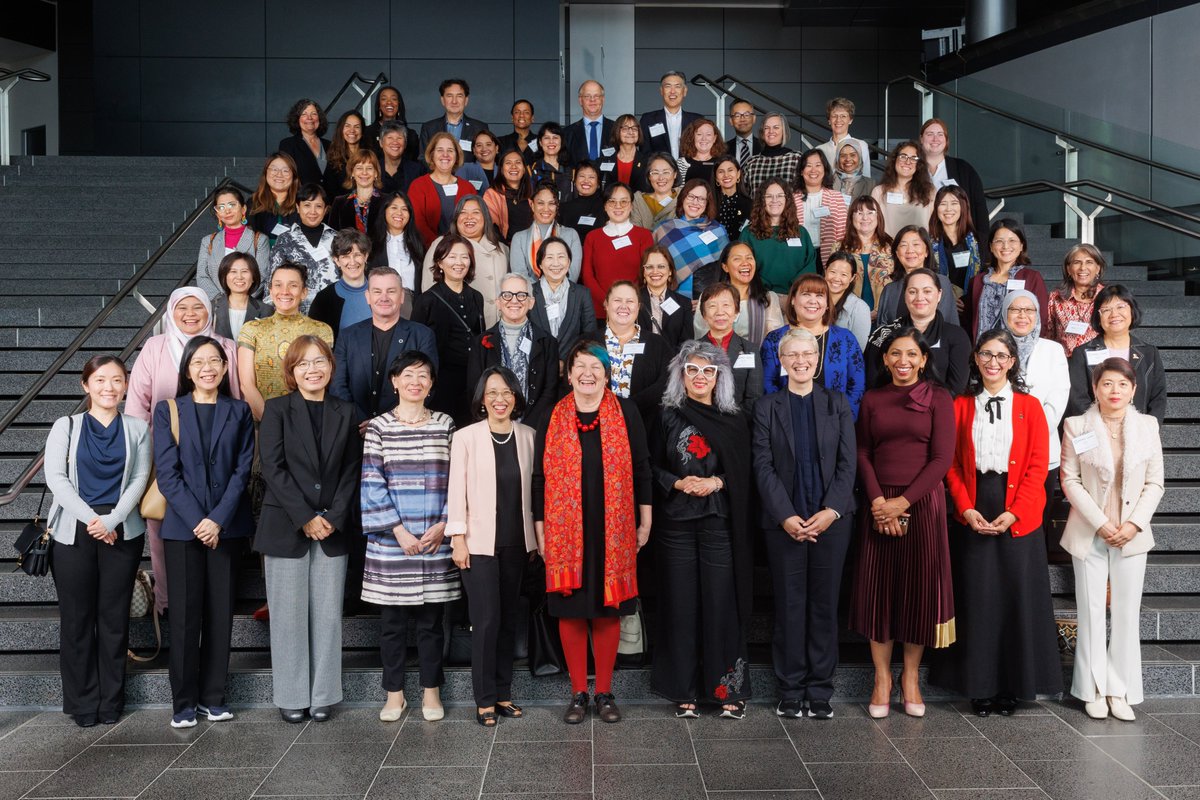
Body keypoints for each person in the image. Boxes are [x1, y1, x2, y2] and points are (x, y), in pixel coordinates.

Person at [935, 330, 1061, 715]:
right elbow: (951, 465)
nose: (993, 362)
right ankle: (979, 687)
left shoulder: (1030, 406)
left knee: (1014, 599)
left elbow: (1038, 467)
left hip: (1017, 512)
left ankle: (1012, 686)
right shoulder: (959, 405)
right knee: (978, 599)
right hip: (973, 506)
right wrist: (965, 508)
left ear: (1012, 362)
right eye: (986, 354)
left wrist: (1015, 512)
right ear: (975, 358)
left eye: (1001, 355)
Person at [533, 340, 653, 724]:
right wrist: (539, 530)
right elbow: (539, 477)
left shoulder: (626, 411)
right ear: (568, 374)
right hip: (565, 531)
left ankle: (603, 691)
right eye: (579, 366)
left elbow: (643, 467)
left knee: (606, 611)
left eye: (595, 366)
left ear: (607, 373)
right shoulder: (554, 415)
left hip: (612, 529)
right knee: (570, 612)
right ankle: (577, 693)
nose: (587, 373)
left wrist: (645, 519)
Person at [848, 327, 956, 719]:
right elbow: (862, 450)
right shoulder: (873, 399)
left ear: (924, 359)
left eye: (911, 354)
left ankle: (910, 677)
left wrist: (902, 504)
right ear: (885, 359)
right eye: (895, 354)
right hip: (878, 500)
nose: (903, 361)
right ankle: (882, 679)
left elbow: (942, 459)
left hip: (922, 503)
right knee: (879, 592)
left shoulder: (939, 399)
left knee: (916, 594)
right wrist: (879, 502)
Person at [255, 336, 361, 724]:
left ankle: (323, 694)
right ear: (292, 372)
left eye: (320, 362)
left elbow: (352, 470)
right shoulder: (277, 409)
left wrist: (331, 515)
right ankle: (291, 694)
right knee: (287, 616)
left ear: (331, 367)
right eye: (303, 364)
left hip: (333, 528)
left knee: (328, 615)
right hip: (286, 526)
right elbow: (272, 467)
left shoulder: (346, 411)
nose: (312, 369)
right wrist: (306, 516)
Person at [752, 329, 856, 718]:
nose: (800, 360)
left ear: (818, 358)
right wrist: (786, 516)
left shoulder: (837, 403)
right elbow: (762, 466)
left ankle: (820, 691)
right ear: (782, 360)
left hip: (831, 520)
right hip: (785, 521)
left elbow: (849, 463)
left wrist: (832, 510)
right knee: (790, 606)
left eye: (807, 353)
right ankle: (790, 689)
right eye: (792, 354)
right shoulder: (767, 407)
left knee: (824, 606)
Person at [152, 336, 255, 728]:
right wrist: (200, 520)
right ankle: (183, 703)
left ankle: (214, 697)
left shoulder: (240, 410)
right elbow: (167, 473)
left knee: (219, 616)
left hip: (225, 528)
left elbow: (242, 470)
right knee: (184, 617)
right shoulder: (169, 411)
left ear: (226, 368)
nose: (208, 368)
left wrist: (217, 520)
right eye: (198, 362)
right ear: (187, 369)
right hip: (182, 529)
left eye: (215, 361)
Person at [45, 356, 152, 728]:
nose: (109, 387)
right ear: (85, 385)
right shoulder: (67, 426)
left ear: (126, 386)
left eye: (117, 380)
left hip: (122, 530)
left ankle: (111, 701)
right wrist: (94, 520)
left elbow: (140, 478)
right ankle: (82, 703)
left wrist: (113, 519)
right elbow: (56, 479)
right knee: (77, 620)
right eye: (101, 380)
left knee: (114, 619)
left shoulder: (138, 427)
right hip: (74, 530)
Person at [652, 342, 755, 718]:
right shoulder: (666, 415)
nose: (700, 377)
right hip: (676, 523)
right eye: (692, 370)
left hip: (719, 522)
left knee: (720, 604)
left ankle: (727, 689)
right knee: (680, 604)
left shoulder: (734, 418)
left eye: (708, 371)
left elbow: (745, 473)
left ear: (720, 376)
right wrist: (677, 484)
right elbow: (649, 465)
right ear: (681, 375)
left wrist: (717, 483)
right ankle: (685, 690)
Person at [1060, 357, 1165, 721]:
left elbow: (1156, 482)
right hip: (1091, 531)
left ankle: (1118, 690)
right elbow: (1069, 480)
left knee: (1125, 613)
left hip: (1132, 534)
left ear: (1134, 390)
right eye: (1107, 384)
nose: (1114, 390)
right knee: (1090, 612)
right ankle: (1091, 689)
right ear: (1095, 388)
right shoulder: (1076, 426)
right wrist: (1102, 523)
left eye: (1122, 384)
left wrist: (1134, 524)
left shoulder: (1148, 426)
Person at [128, 288, 241, 616]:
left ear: (210, 311)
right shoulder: (155, 346)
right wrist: (142, 456)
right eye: (182, 307)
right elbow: (138, 404)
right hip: (166, 454)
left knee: (218, 524)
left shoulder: (226, 348)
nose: (190, 314)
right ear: (170, 312)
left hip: (217, 457)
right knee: (163, 527)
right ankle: (167, 602)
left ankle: (213, 605)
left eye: (198, 307)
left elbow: (236, 400)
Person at [359, 350, 459, 723]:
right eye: (408, 375)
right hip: (391, 543)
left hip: (435, 540)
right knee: (392, 626)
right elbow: (371, 482)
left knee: (433, 624)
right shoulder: (379, 427)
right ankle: (394, 694)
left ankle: (431, 692)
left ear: (431, 384)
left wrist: (445, 524)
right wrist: (397, 530)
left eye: (423, 376)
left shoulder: (445, 424)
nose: (415, 381)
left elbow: (457, 480)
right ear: (394, 381)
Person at [447, 367, 537, 727]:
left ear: (516, 397)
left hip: (518, 542)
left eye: (507, 393)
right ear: (482, 399)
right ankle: (483, 699)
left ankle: (503, 693)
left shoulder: (529, 435)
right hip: (478, 543)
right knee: (485, 621)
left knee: (509, 620)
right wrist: (457, 538)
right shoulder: (466, 437)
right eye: (492, 393)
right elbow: (456, 490)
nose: (500, 399)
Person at [331, 266, 439, 425]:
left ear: (402, 296)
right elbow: (337, 386)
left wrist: (387, 423)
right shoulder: (348, 336)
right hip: (355, 429)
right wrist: (357, 420)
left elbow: (429, 384)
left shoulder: (422, 335)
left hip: (404, 428)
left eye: (391, 291)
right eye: (377, 291)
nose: (384, 297)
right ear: (367, 296)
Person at [998, 291, 1070, 516]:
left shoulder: (1053, 350)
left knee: (1037, 517)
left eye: (1029, 310)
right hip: (999, 447)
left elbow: (1058, 396)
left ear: (1037, 315)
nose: (1022, 315)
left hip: (1041, 447)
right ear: (1004, 313)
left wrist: (1030, 434)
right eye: (1015, 309)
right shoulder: (992, 346)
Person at [237, 263, 334, 422]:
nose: (285, 291)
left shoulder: (321, 330)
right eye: (278, 285)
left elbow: (324, 381)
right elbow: (247, 385)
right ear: (270, 290)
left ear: (304, 292)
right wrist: (272, 424)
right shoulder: (251, 330)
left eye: (293, 285)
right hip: (263, 424)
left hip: (311, 422)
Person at [761, 275, 866, 418]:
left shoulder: (845, 339)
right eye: (806, 294)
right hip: (786, 425)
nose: (813, 301)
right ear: (792, 299)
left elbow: (857, 387)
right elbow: (768, 384)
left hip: (836, 424)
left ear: (827, 303)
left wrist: (843, 422)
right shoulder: (774, 339)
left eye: (819, 295)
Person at [467, 273, 561, 427]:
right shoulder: (481, 343)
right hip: (491, 425)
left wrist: (528, 426)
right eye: (507, 295)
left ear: (531, 302)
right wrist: (496, 422)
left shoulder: (547, 342)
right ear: (498, 302)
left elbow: (550, 390)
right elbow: (475, 389)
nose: (514, 300)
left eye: (521, 295)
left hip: (534, 427)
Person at [411, 236, 487, 425]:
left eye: (465, 257)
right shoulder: (426, 300)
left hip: (472, 381)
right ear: (440, 262)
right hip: (440, 383)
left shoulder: (476, 297)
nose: (459, 263)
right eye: (452, 257)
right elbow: (415, 349)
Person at [1066, 284, 1167, 422]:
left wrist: (1147, 430)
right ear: (1098, 316)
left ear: (1132, 310)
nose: (1114, 314)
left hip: (1139, 434)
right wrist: (1100, 430)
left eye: (1120, 307)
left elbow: (1158, 399)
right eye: (1106, 309)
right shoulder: (1082, 353)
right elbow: (1077, 399)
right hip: (1095, 433)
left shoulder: (1150, 353)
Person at [866, 268, 972, 395]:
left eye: (927, 291)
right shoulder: (883, 335)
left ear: (939, 295)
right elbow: (873, 383)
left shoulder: (956, 336)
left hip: (939, 409)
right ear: (904, 295)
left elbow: (957, 388)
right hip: (891, 408)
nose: (919, 297)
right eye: (912, 291)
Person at [421, 195, 509, 327]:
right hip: (455, 326)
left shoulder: (502, 250)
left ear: (485, 217)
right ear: (456, 218)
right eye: (463, 213)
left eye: (475, 212)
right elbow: (429, 289)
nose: (469, 217)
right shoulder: (441, 244)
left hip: (496, 326)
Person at [602, 281, 673, 425]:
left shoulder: (657, 344)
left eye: (630, 301)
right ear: (606, 305)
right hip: (599, 424)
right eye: (617, 300)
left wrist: (629, 407)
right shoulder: (588, 342)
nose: (624, 306)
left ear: (638, 307)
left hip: (646, 425)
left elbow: (666, 382)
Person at [581, 182, 655, 319]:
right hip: (601, 309)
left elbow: (647, 273)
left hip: (633, 309)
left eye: (624, 201)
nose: (618, 206)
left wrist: (628, 302)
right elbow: (587, 276)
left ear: (631, 205)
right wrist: (607, 301)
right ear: (605, 206)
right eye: (612, 201)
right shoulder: (592, 237)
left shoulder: (644, 236)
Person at [969, 218, 1049, 340]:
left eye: (1012, 240)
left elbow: (1041, 319)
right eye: (999, 241)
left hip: (1018, 353)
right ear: (991, 246)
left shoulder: (1032, 278)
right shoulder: (978, 281)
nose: (1006, 246)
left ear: (1022, 246)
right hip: (983, 353)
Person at [652, 178, 729, 299]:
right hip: (674, 298)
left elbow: (726, 269)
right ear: (683, 198)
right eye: (691, 196)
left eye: (701, 199)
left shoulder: (717, 230)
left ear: (707, 203)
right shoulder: (665, 229)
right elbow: (654, 268)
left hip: (710, 299)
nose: (695, 202)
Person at [739, 178, 817, 294]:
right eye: (769, 196)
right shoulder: (748, 233)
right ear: (762, 201)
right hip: (761, 297)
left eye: (780, 196)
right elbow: (743, 267)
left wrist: (794, 293)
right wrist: (768, 293)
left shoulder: (801, 233)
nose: (774, 200)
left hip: (796, 297)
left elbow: (810, 265)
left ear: (787, 200)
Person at [699, 240, 784, 347]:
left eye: (749, 258)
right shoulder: (709, 297)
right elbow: (701, 337)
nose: (745, 263)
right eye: (737, 259)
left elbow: (775, 341)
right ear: (725, 267)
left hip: (757, 361)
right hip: (717, 360)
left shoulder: (768, 298)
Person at [267, 183, 337, 309]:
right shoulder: (285, 240)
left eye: (319, 206)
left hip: (332, 311)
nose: (313, 211)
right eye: (307, 205)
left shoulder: (337, 239)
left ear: (326, 210)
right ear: (298, 208)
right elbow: (273, 279)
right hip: (295, 312)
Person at [696, 281, 764, 411]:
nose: (720, 312)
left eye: (726, 305)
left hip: (739, 423)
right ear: (704, 315)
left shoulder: (750, 350)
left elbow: (754, 397)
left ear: (736, 311)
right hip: (701, 422)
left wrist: (733, 423)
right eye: (712, 306)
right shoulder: (693, 350)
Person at [529, 236, 598, 361]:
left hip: (571, 368)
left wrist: (568, 362)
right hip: (537, 368)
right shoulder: (529, 293)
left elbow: (589, 336)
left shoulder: (582, 294)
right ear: (540, 263)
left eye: (561, 257)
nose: (556, 263)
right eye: (549, 257)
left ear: (569, 262)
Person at [196, 186, 269, 301]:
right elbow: (202, 276)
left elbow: (262, 276)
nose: (227, 210)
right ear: (217, 214)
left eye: (232, 205)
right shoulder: (208, 241)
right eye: (221, 207)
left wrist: (240, 300)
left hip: (248, 305)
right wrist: (221, 301)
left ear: (243, 209)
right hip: (217, 306)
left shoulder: (259, 239)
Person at [875, 226, 959, 326]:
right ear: (897, 253)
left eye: (916, 244)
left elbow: (950, 325)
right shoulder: (889, 290)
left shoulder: (941, 282)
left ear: (927, 252)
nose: (910, 250)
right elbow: (881, 331)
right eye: (903, 245)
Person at [919, 118, 990, 234]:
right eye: (930, 134)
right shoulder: (911, 169)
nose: (935, 139)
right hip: (920, 239)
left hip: (957, 238)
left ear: (946, 140)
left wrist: (983, 241)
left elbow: (979, 208)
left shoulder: (963, 169)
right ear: (921, 139)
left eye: (940, 134)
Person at [408, 134, 478, 249]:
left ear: (456, 156)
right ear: (432, 155)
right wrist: (441, 247)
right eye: (440, 150)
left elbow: (475, 221)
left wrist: (460, 248)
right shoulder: (418, 186)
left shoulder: (468, 188)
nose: (445, 155)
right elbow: (418, 223)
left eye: (450, 150)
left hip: (464, 251)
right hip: (428, 251)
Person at [928, 184, 982, 327]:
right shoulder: (928, 242)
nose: (948, 209)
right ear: (936, 208)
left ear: (963, 206)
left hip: (970, 306)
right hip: (938, 306)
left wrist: (966, 299)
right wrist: (948, 297)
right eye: (943, 204)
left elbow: (982, 276)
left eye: (954, 203)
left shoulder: (976, 241)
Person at [368, 191, 427, 317]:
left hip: (411, 303)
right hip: (380, 303)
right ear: (384, 211)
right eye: (394, 207)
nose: (399, 213)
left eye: (404, 209)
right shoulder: (371, 243)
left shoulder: (418, 244)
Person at [510, 183, 583, 281]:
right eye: (540, 203)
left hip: (565, 295)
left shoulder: (571, 235)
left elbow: (572, 276)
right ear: (532, 204)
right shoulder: (519, 238)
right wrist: (540, 294)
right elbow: (520, 278)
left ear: (557, 206)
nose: (546, 209)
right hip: (531, 295)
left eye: (551, 203)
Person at [308, 229, 372, 337]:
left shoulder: (381, 292)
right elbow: (316, 344)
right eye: (345, 256)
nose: (352, 262)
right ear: (336, 260)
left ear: (365, 256)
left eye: (357, 255)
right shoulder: (324, 299)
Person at [1047, 243, 1105, 357]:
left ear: (1098, 268)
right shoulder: (1056, 297)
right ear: (1068, 269)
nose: (1083, 268)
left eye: (1089, 262)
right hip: (1064, 364)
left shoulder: (1107, 297)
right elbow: (1049, 334)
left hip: (1099, 364)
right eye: (1077, 262)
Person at [794, 149, 849, 266]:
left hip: (829, 256)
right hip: (799, 255)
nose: (813, 170)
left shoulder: (836, 197)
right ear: (801, 171)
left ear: (825, 169)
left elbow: (842, 232)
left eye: (818, 165)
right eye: (808, 166)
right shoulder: (791, 199)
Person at [840, 195, 893, 315]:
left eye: (870, 212)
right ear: (851, 217)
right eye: (859, 213)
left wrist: (879, 311)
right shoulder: (839, 248)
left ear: (878, 216)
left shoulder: (891, 246)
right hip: (848, 314)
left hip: (886, 313)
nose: (865, 217)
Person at [871, 141, 935, 238]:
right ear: (894, 160)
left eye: (914, 158)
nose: (907, 162)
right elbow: (872, 226)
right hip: (887, 250)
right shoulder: (878, 192)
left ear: (919, 164)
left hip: (920, 251)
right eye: (903, 156)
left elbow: (935, 226)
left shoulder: (929, 191)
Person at [637, 244, 693, 352]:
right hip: (641, 363)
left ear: (670, 271)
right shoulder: (633, 301)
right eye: (649, 267)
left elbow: (687, 343)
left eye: (661, 266)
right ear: (643, 272)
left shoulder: (684, 303)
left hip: (672, 364)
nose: (655, 271)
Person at [418, 78, 486, 164]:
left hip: (468, 177)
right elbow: (423, 158)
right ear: (442, 100)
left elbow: (484, 159)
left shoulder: (479, 128)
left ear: (466, 100)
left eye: (459, 96)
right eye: (449, 96)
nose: (454, 101)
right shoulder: (429, 128)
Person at [640, 71, 702, 159]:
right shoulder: (648, 119)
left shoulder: (697, 120)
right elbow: (645, 152)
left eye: (677, 86)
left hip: (691, 171)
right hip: (660, 171)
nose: (672, 91)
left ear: (684, 91)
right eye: (668, 86)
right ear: (661, 91)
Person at [210, 252, 270, 341]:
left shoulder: (266, 310)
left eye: (245, 271)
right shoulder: (211, 307)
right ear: (224, 276)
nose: (239, 277)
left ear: (253, 277)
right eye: (233, 271)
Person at [740, 113, 802, 197]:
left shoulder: (796, 158)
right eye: (766, 128)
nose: (771, 131)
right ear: (762, 132)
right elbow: (744, 195)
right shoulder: (751, 162)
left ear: (784, 131)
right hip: (756, 210)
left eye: (776, 127)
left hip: (789, 210)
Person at [482, 149, 535, 244]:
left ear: (524, 169)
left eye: (518, 162)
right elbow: (491, 227)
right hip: (503, 248)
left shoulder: (532, 195)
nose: (513, 166)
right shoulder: (491, 194)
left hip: (531, 247)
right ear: (501, 169)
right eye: (508, 163)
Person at [247, 153, 299, 247]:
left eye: (285, 170)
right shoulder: (253, 203)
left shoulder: (302, 203)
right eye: (274, 169)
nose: (279, 174)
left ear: (293, 175)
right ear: (266, 172)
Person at [277, 98, 330, 187]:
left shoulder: (330, 145)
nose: (309, 118)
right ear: (297, 119)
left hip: (331, 199)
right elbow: (287, 177)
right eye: (304, 114)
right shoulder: (288, 145)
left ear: (319, 118)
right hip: (303, 198)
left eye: (313, 114)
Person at [327, 150, 383, 234]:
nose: (364, 172)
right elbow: (332, 237)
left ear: (376, 173)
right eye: (359, 168)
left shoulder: (387, 202)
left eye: (369, 168)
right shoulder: (339, 202)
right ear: (352, 173)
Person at [815, 97, 872, 179]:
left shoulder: (861, 145)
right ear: (829, 120)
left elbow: (866, 177)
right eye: (834, 116)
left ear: (850, 120)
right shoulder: (820, 149)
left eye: (843, 116)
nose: (838, 120)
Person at [824, 251, 871, 349]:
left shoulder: (860, 308)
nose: (837, 278)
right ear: (825, 271)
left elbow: (857, 350)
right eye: (833, 272)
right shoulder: (814, 301)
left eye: (844, 275)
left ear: (852, 278)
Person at [363, 86, 419, 163]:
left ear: (399, 104)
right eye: (384, 99)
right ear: (379, 105)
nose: (389, 102)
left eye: (394, 99)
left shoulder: (411, 135)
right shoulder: (367, 133)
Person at [564, 80, 615, 164]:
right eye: (587, 96)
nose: (592, 100)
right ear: (580, 100)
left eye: (597, 96)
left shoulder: (617, 129)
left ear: (603, 99)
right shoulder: (568, 133)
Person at [323, 110, 366, 199]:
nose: (352, 130)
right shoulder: (334, 158)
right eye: (347, 126)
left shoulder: (370, 155)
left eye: (357, 127)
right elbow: (329, 191)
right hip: (342, 209)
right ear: (341, 129)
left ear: (362, 131)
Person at [600, 114, 648, 193]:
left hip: (638, 205)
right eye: (625, 128)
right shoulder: (604, 162)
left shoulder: (648, 162)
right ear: (617, 132)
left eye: (635, 128)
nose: (631, 132)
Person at [631, 153, 679, 231]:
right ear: (649, 176)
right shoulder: (638, 199)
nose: (661, 178)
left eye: (666, 172)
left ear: (675, 174)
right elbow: (635, 232)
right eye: (655, 173)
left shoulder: (684, 198)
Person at [559, 163, 606, 241]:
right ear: (575, 181)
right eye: (582, 176)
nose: (586, 181)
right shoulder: (563, 208)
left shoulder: (606, 207)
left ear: (598, 183)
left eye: (591, 177)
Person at [527, 122, 574, 200]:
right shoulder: (531, 171)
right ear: (540, 142)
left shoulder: (571, 172)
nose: (551, 141)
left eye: (555, 137)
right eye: (546, 138)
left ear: (561, 141)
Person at [377, 121, 425, 195]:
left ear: (405, 144)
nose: (395, 142)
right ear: (381, 143)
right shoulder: (373, 169)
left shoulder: (417, 170)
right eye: (390, 137)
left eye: (399, 138)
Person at [676, 118, 725, 186]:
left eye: (708, 134)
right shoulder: (681, 163)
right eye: (699, 134)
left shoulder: (723, 163)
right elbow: (678, 191)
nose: (704, 138)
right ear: (692, 137)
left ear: (714, 138)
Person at [713, 155, 752, 237]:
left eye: (730, 170)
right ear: (716, 178)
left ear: (738, 174)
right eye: (721, 172)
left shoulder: (750, 204)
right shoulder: (709, 204)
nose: (726, 175)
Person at [496, 98, 538, 163]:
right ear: (512, 118)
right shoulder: (500, 142)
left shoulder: (541, 142)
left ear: (532, 118)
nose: (521, 115)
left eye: (526, 112)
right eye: (517, 112)